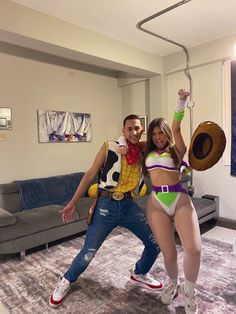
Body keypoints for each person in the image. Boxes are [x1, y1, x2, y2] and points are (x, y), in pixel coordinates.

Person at [49, 114, 163, 308]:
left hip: (128, 206)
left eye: (137, 128)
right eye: (129, 129)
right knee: (88, 252)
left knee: (155, 243)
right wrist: (73, 202)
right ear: (123, 131)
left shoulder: (144, 149)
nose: (133, 132)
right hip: (105, 206)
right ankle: (67, 280)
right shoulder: (109, 146)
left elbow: (164, 141)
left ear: (142, 130)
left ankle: (139, 273)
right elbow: (90, 174)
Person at [144, 90, 201, 314]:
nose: (158, 137)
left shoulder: (177, 150)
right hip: (156, 202)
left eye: (161, 132)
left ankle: (190, 290)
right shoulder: (146, 151)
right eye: (154, 134)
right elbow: (127, 143)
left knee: (194, 249)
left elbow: (177, 127)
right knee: (169, 254)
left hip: (179, 199)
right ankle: (172, 282)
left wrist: (181, 102)